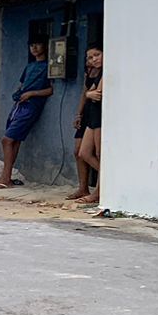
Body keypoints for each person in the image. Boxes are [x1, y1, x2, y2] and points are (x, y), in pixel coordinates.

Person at [0, 40, 55, 190]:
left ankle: (5, 177)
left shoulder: (48, 66)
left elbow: (50, 90)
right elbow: (22, 84)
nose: (35, 48)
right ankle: (6, 177)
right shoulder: (30, 66)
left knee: (7, 139)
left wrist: (32, 93)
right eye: (32, 46)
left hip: (31, 106)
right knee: (14, 141)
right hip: (19, 105)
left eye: (37, 44)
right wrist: (19, 93)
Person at [71, 46, 104, 203]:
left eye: (97, 55)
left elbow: (97, 94)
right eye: (90, 57)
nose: (93, 59)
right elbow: (88, 93)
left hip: (100, 115)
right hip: (91, 115)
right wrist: (79, 113)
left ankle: (100, 190)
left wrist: (90, 94)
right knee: (83, 152)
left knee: (99, 153)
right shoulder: (93, 73)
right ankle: (107, 178)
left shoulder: (107, 71)